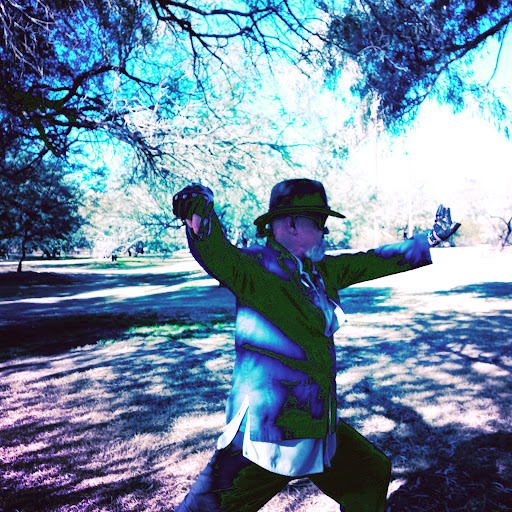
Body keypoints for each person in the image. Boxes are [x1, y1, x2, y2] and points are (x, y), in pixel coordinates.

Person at [172, 178, 460, 512]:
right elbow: (215, 251)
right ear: (291, 224)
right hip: (271, 429)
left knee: (369, 472)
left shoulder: (320, 271)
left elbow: (373, 260)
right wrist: (200, 214)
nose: (326, 231)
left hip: (315, 420)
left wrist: (429, 239)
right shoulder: (253, 267)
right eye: (320, 222)